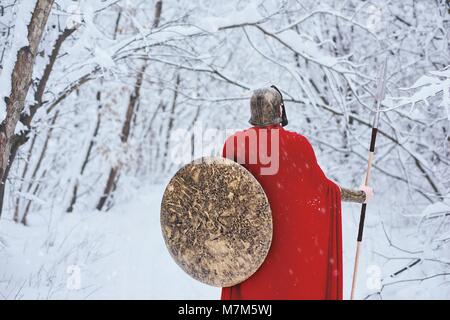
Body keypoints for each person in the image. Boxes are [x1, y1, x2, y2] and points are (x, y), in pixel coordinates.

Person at [221, 86, 373, 300]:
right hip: (294, 261)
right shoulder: (298, 145)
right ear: (280, 111)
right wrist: (360, 195)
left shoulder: (234, 145)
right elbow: (325, 191)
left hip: (250, 258)